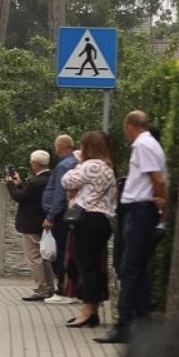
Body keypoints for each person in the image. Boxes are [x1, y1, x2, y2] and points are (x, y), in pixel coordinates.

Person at [100, 111, 169, 344]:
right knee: (138, 268)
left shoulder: (143, 144)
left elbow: (157, 180)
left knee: (128, 268)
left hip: (139, 210)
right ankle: (144, 318)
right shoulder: (151, 144)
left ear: (130, 125)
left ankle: (124, 326)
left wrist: (159, 204)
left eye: (125, 129)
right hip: (141, 210)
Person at [60, 130, 117, 329]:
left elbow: (66, 180)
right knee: (93, 266)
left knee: (86, 267)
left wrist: (78, 163)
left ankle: (87, 310)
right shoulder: (108, 167)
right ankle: (92, 311)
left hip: (89, 219)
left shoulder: (91, 166)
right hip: (102, 220)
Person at [7, 150, 55, 301]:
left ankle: (41, 288)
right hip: (44, 222)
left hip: (31, 223)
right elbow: (29, 195)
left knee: (34, 257)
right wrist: (20, 184)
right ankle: (49, 287)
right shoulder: (51, 178)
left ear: (35, 164)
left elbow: (21, 197)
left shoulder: (35, 182)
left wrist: (10, 185)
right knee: (44, 256)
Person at [42, 134, 80, 305]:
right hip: (71, 214)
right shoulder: (75, 163)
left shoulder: (63, 165)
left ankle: (63, 289)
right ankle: (71, 288)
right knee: (69, 252)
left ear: (60, 147)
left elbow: (60, 193)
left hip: (60, 216)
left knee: (60, 254)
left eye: (56, 147)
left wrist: (51, 216)